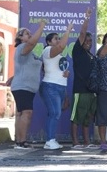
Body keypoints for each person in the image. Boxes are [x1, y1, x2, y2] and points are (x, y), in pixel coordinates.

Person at [11, 19, 47, 149]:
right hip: (23, 87)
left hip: (26, 88)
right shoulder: (22, 47)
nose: (30, 35)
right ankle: (21, 142)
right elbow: (32, 42)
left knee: (21, 113)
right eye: (27, 33)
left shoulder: (29, 53)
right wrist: (41, 27)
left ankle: (19, 141)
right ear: (19, 37)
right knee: (26, 112)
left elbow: (23, 68)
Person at [39, 22, 73, 150]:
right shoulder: (47, 50)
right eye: (56, 38)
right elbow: (61, 46)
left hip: (60, 87)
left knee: (55, 113)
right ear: (48, 42)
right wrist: (68, 31)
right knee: (55, 113)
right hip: (50, 86)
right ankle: (49, 140)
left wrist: (66, 73)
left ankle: (51, 139)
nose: (58, 40)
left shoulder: (58, 55)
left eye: (59, 38)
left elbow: (58, 69)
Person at [70, 9, 97, 149]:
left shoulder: (91, 55)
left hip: (91, 90)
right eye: (86, 40)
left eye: (90, 41)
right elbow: (82, 33)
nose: (88, 42)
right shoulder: (78, 50)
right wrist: (87, 17)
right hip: (80, 89)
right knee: (76, 117)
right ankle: (75, 142)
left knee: (88, 117)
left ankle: (87, 142)